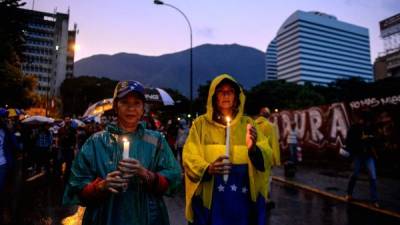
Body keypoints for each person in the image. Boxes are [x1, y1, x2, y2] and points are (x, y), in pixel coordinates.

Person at [63, 80, 182, 225]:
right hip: (105, 217)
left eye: (137, 103)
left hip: (149, 218)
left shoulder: (155, 140)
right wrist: (101, 186)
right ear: (115, 106)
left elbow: (174, 178)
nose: (131, 108)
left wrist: (146, 174)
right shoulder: (95, 142)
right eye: (125, 102)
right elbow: (77, 187)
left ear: (143, 108)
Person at [183, 74, 272, 225]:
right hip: (211, 204)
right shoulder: (200, 125)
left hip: (242, 204)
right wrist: (208, 168)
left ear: (237, 97)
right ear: (214, 97)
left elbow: (267, 154)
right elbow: (189, 155)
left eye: (230, 91)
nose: (225, 95)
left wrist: (253, 149)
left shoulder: (249, 124)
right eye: (221, 91)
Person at [345, 112, 380, 208]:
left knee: (373, 177)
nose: (365, 121)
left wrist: (370, 138)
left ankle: (375, 200)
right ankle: (349, 194)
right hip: (358, 155)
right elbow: (349, 141)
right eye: (364, 120)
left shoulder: (371, 128)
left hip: (369, 155)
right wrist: (360, 140)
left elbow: (376, 139)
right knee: (355, 174)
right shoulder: (354, 128)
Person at [255, 107, 280, 209]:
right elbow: (274, 143)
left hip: (254, 155)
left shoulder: (253, 124)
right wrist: (276, 160)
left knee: (255, 177)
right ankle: (265, 198)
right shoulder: (271, 126)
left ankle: (255, 197)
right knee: (267, 178)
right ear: (268, 116)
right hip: (266, 156)